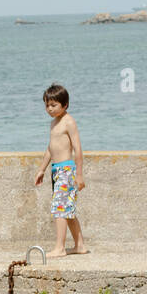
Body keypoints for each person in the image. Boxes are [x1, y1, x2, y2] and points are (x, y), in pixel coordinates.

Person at [33, 83, 87, 257]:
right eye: (47, 105)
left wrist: (79, 174)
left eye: (54, 105)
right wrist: (42, 169)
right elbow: (51, 148)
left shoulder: (68, 121)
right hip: (57, 170)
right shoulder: (53, 123)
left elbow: (78, 149)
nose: (49, 109)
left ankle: (60, 247)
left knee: (60, 209)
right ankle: (80, 245)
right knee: (67, 210)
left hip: (67, 170)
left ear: (65, 105)